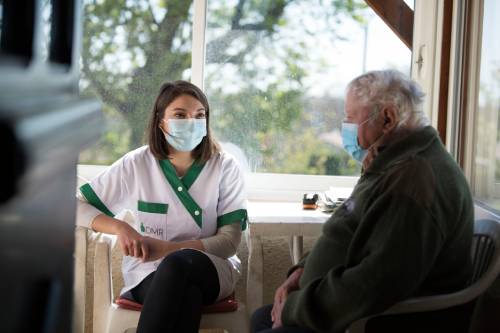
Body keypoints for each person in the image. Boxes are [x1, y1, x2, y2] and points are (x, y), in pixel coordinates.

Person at [251, 70, 474, 333]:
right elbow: (350, 230)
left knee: (268, 323)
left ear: (387, 118)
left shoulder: (413, 179)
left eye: (350, 117)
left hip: (375, 322)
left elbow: (376, 282)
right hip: (344, 309)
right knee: (262, 318)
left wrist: (294, 308)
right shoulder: (390, 163)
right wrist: (301, 273)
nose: (344, 126)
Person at [76, 80, 248, 333]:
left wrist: (169, 249)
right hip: (148, 274)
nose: (191, 122)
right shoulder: (135, 164)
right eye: (180, 115)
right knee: (187, 296)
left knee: (177, 263)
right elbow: (75, 206)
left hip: (211, 268)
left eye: (199, 115)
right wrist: (121, 227)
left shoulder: (225, 166)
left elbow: (229, 242)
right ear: (160, 121)